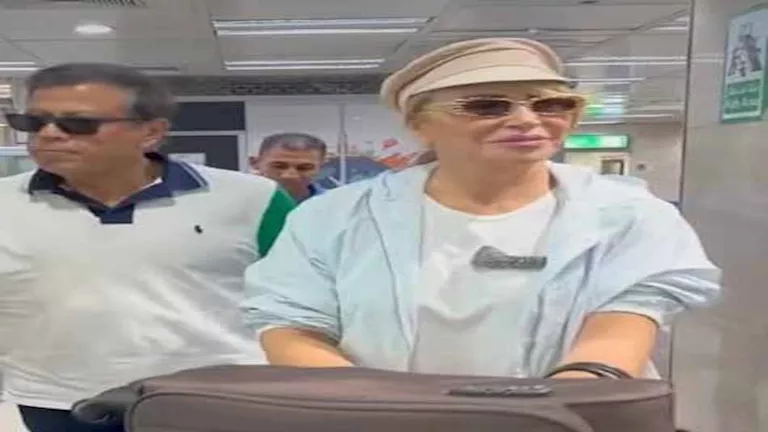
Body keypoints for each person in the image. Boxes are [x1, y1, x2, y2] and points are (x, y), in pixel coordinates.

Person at [240, 38, 721, 379]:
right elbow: (291, 328)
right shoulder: (333, 218)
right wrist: (382, 414)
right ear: (419, 125)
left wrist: (543, 417)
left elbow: (620, 329)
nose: (527, 120)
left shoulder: (629, 215)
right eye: (487, 106)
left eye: (552, 104)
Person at [0, 63, 294, 432]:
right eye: (33, 122)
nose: (49, 134)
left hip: (215, 396)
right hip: (56, 400)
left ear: (151, 132)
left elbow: (300, 301)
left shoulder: (254, 199)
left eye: (78, 123)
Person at [249, 132, 327, 202]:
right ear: (255, 163)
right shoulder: (242, 201)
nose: (290, 176)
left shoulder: (332, 206)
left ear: (321, 167)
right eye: (279, 166)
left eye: (304, 168)